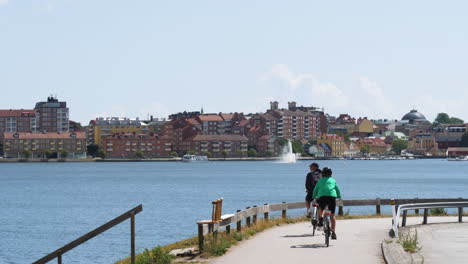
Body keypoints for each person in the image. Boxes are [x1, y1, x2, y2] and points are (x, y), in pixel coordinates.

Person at [313, 167, 341, 240]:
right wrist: (339, 196)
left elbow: (315, 189)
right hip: (332, 197)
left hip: (322, 197)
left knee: (321, 208)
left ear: (322, 174)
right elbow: (337, 189)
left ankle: (321, 218)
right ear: (331, 174)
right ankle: (333, 232)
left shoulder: (320, 180)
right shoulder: (333, 180)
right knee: (332, 215)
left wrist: (314, 196)